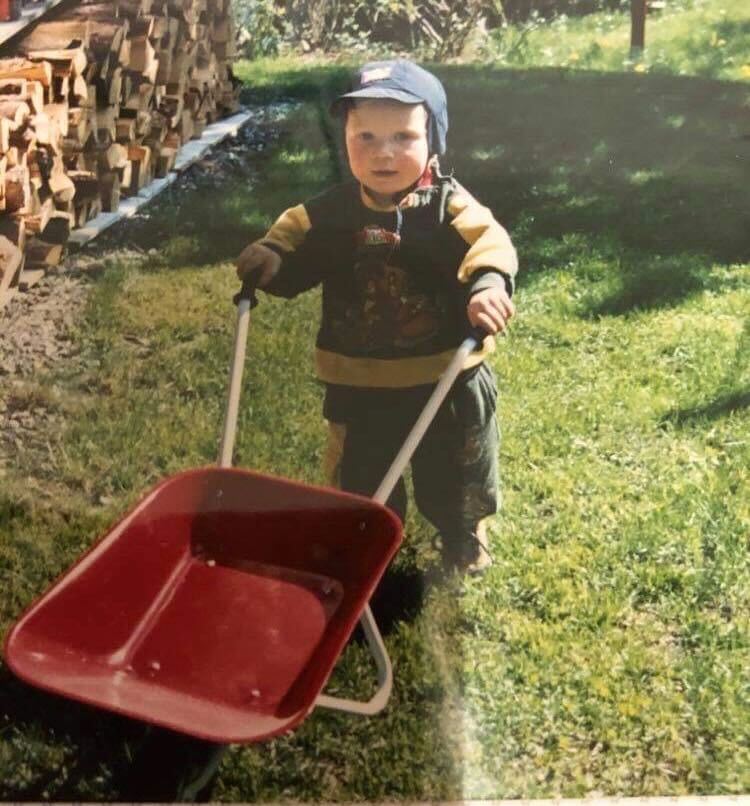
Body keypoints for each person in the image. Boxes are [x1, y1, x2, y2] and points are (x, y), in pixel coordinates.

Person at [236, 60, 518, 575]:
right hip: (359, 379)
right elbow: (291, 238)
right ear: (344, 140)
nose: (383, 152)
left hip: (445, 377)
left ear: (433, 140)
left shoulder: (449, 208)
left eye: (403, 136)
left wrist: (488, 285)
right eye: (365, 136)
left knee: (457, 468)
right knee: (361, 477)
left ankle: (463, 536)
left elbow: (490, 243)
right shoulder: (330, 213)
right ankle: (366, 539)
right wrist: (271, 258)